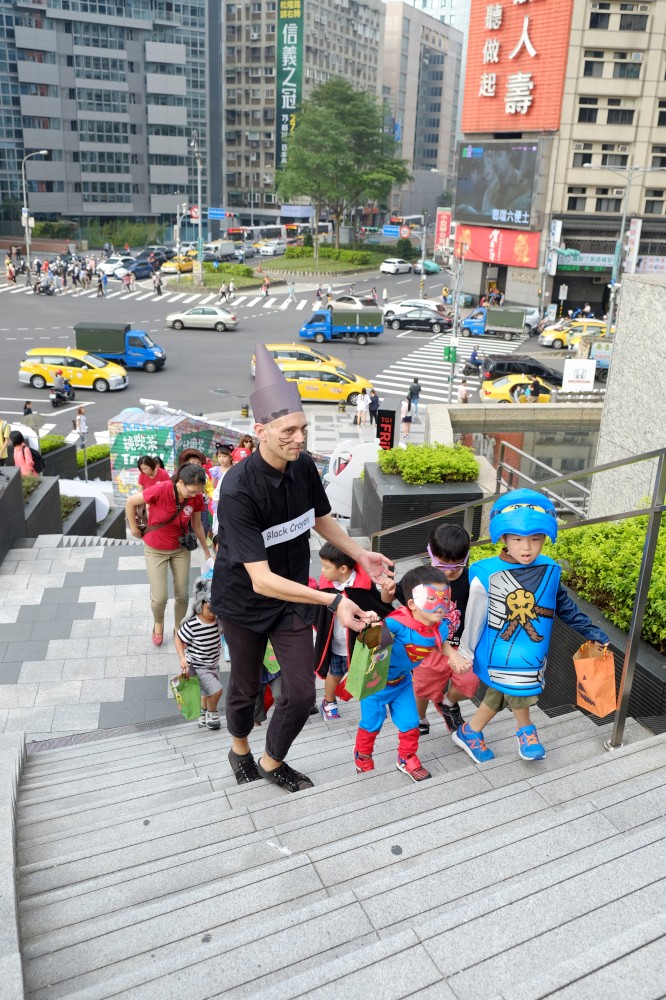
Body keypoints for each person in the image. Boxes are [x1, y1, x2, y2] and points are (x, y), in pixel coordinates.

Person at [211, 344, 393, 793]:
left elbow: (320, 518)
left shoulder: (304, 466)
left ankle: (272, 760)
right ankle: (239, 749)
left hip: (291, 596)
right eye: (288, 431)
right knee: (245, 687)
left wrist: (360, 554)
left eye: (303, 429)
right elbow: (260, 579)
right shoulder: (237, 490)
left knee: (300, 693)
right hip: (243, 601)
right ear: (260, 431)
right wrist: (333, 600)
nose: (299, 439)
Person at [452, 489, 610, 763]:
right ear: (503, 538)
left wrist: (592, 632)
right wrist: (464, 652)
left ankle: (470, 731)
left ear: (545, 539)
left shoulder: (550, 569)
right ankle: (526, 731)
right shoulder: (485, 572)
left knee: (503, 691)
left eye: (535, 539)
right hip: (499, 650)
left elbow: (564, 606)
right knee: (518, 689)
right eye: (517, 539)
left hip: (534, 650)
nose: (526, 548)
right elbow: (474, 617)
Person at [354, 566, 466, 782]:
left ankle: (406, 757)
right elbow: (372, 644)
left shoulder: (441, 627)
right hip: (375, 685)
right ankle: (362, 755)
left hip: (402, 683)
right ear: (413, 604)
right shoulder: (397, 624)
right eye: (432, 598)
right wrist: (373, 627)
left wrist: (453, 654)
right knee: (371, 724)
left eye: (445, 599)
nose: (440, 606)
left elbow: (439, 642)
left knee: (411, 723)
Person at [392, 524, 473, 736]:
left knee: (470, 681)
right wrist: (385, 590)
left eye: (458, 564)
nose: (450, 570)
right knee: (423, 688)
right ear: (430, 553)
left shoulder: (471, 578)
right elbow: (394, 597)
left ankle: (448, 703)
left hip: (461, 645)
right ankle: (420, 717)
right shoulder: (420, 578)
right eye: (443, 564)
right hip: (428, 646)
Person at [125, 464, 211, 646]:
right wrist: (133, 528)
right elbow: (131, 502)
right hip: (155, 549)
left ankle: (179, 628)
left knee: (183, 594)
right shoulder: (161, 489)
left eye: (198, 492)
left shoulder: (195, 497)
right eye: (191, 491)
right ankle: (158, 622)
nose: (194, 495)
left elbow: (197, 525)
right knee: (160, 598)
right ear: (180, 483)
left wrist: (206, 551)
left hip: (180, 548)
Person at [314, 542, 394, 721]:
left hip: (363, 646)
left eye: (326, 566)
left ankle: (375, 703)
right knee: (335, 675)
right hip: (337, 645)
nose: (322, 571)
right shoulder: (325, 588)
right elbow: (318, 614)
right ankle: (329, 701)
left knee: (370, 674)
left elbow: (379, 606)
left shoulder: (363, 586)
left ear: (342, 568)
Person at [175, 577, 223, 731]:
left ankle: (202, 714)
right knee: (216, 690)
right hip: (198, 666)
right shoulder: (193, 624)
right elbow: (178, 638)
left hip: (213, 664)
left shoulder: (217, 621)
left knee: (206, 692)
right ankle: (212, 714)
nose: (213, 612)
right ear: (199, 605)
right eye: (210, 608)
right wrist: (182, 658)